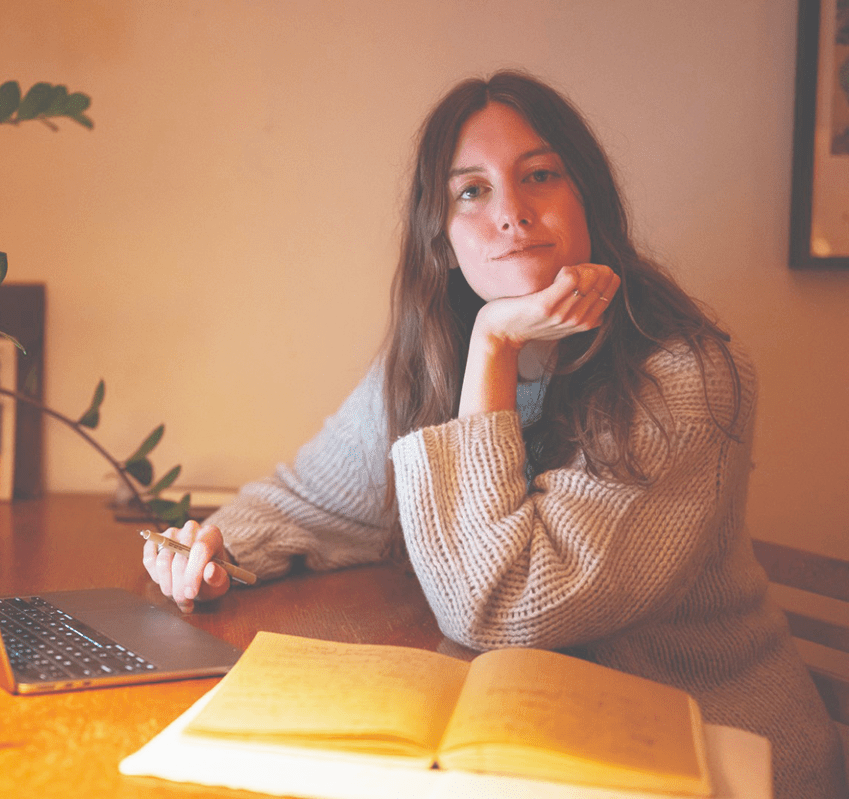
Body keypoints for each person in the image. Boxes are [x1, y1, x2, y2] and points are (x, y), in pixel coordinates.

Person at [141, 70, 847, 798]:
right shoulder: (425, 361)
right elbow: (308, 500)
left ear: (588, 203)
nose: (511, 212)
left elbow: (506, 610)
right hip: (537, 740)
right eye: (471, 191)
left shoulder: (684, 375)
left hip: (710, 751)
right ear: (441, 239)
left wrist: (494, 346)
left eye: (539, 175)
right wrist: (218, 549)